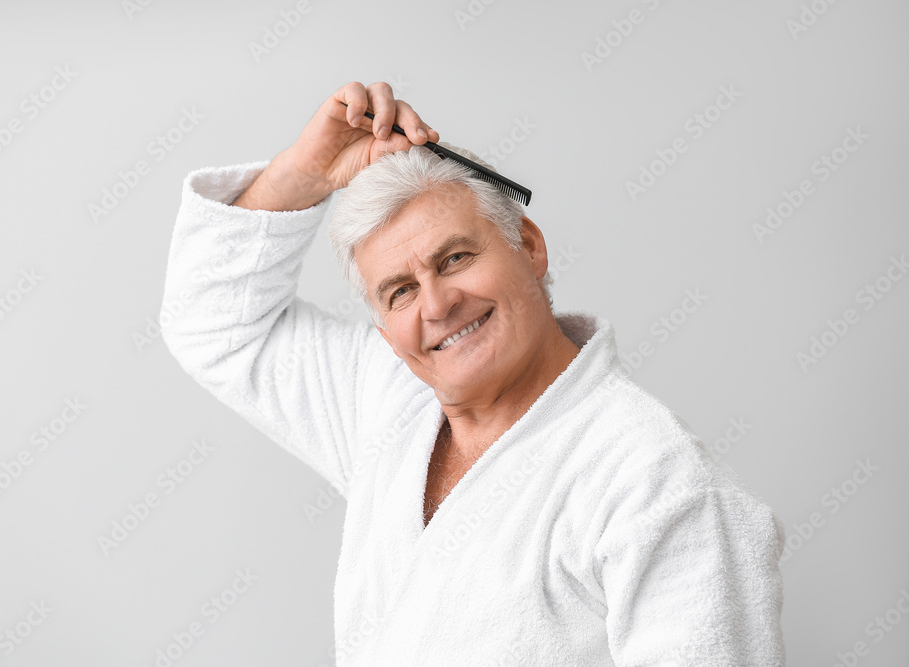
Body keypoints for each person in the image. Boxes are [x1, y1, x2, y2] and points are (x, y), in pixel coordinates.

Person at [160, 80, 786, 665]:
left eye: (455, 258)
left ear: (529, 245)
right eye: (400, 292)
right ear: (383, 329)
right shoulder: (388, 399)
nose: (436, 306)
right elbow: (213, 323)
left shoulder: (657, 484)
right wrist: (303, 176)